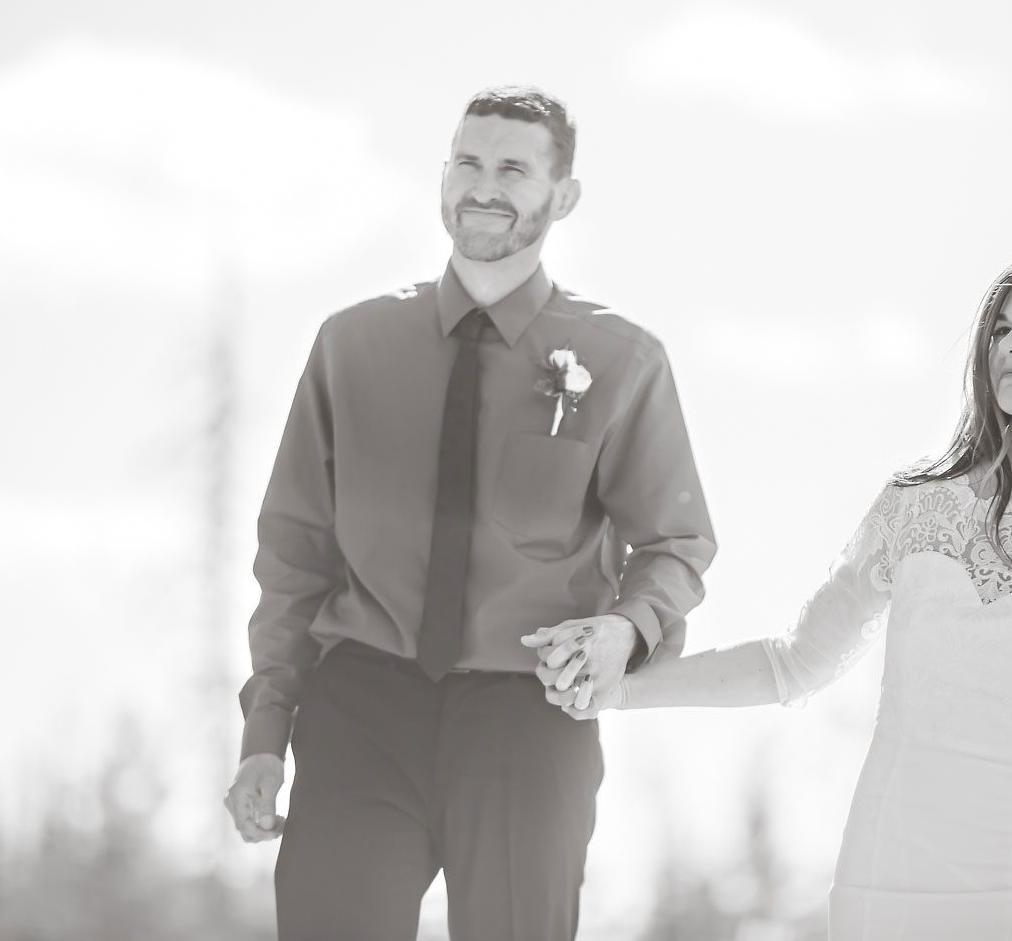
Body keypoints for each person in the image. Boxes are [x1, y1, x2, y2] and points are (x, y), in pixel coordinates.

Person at [528, 246, 1012, 941]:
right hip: (884, 884)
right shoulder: (917, 507)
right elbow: (794, 662)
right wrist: (618, 689)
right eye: (1002, 328)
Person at [225, 85, 716, 940]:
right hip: (361, 709)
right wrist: (267, 729)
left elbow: (675, 544)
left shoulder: (623, 360)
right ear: (443, 176)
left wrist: (624, 629)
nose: (484, 186)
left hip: (530, 716)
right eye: (468, 162)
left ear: (564, 195)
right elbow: (295, 553)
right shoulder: (351, 346)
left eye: (514, 169)